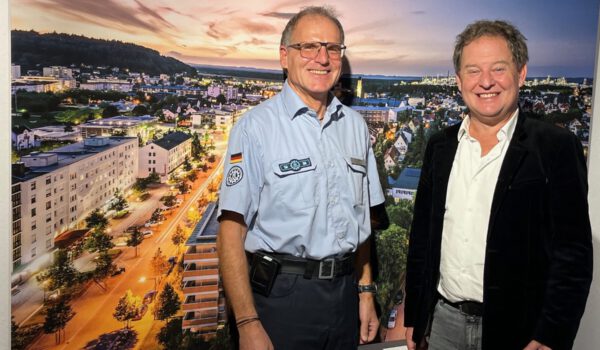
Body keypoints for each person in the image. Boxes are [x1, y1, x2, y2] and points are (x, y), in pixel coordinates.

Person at [404, 20, 593, 350]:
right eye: (473, 71)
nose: (486, 82)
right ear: (459, 80)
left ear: (520, 74)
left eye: (498, 69)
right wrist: (415, 318)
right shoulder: (440, 146)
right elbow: (423, 238)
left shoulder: (555, 146)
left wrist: (551, 335)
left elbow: (573, 254)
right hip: (442, 323)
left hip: (519, 329)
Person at [217, 6, 386, 350]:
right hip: (282, 299)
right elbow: (231, 231)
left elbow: (363, 220)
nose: (322, 58)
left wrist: (365, 291)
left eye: (333, 48)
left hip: (344, 296)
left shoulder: (355, 127)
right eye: (308, 47)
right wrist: (247, 323)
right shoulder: (254, 129)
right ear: (284, 57)